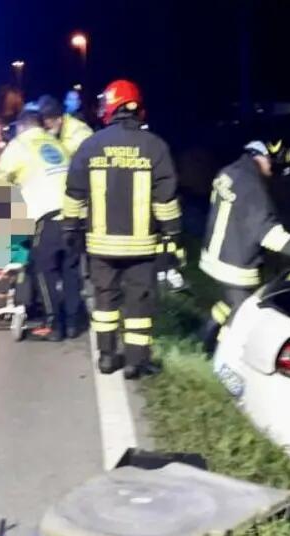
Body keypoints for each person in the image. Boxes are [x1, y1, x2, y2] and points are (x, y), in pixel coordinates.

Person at [63, 79, 182, 379]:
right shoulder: (155, 146)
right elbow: (165, 198)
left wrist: (70, 228)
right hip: (141, 248)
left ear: (110, 108)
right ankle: (135, 362)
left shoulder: (91, 145)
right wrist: (172, 236)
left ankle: (105, 357)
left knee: (105, 301)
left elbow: (74, 192)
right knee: (138, 303)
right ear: (136, 107)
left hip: (100, 246)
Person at [199, 140, 290, 353]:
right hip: (235, 265)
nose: (272, 169)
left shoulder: (229, 172)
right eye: (272, 162)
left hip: (215, 256)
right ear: (262, 156)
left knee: (228, 303)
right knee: (242, 315)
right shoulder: (252, 186)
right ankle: (221, 355)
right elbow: (265, 231)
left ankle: (205, 336)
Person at [0, 102, 82, 340]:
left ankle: (54, 325)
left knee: (43, 269)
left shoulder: (19, 145)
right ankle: (72, 323)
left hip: (47, 218)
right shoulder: (56, 144)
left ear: (21, 127)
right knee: (70, 270)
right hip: (75, 216)